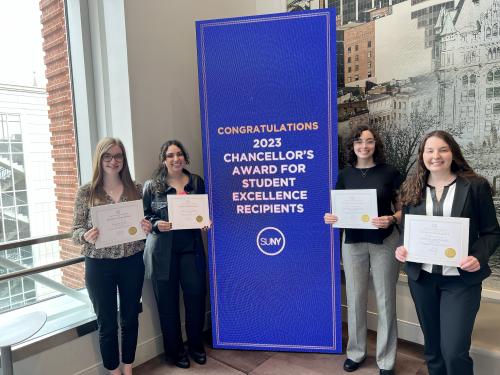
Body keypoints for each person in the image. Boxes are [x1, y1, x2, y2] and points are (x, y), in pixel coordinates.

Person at [395, 130, 500, 375]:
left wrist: (478, 256)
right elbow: (407, 230)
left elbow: (492, 233)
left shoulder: (475, 186)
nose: (436, 156)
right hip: (422, 279)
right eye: (429, 150)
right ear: (422, 156)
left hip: (461, 281)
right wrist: (402, 248)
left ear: (453, 152)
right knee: (432, 349)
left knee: (454, 351)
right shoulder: (412, 187)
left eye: (442, 149)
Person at [324, 124, 402, 375]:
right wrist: (332, 218)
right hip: (353, 241)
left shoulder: (390, 172)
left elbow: (404, 208)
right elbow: (339, 209)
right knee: (355, 298)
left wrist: (392, 218)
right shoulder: (345, 175)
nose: (364, 146)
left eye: (369, 141)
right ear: (353, 146)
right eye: (359, 141)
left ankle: (386, 361)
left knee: (386, 300)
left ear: (375, 145)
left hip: (385, 240)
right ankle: (356, 353)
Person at [72, 137, 152, 375]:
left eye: (118, 156)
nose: (113, 161)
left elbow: (145, 222)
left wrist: (146, 227)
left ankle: (128, 368)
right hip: (99, 266)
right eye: (108, 156)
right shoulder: (86, 192)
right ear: (100, 159)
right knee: (106, 323)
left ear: (123, 160)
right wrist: (86, 235)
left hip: (132, 262)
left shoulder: (136, 189)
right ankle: (113, 371)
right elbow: (74, 232)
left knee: (130, 318)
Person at [143, 140, 208, 369]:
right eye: (170, 155)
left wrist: (206, 223)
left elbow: (205, 211)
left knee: (196, 300)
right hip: (162, 253)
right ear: (164, 159)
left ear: (185, 157)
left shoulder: (197, 182)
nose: (175, 159)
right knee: (168, 307)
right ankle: (175, 352)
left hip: (191, 250)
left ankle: (196, 346)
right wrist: (156, 223)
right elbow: (143, 217)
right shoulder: (152, 186)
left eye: (179, 154)